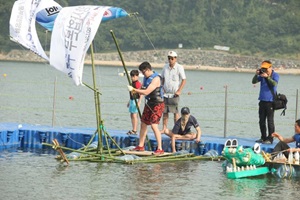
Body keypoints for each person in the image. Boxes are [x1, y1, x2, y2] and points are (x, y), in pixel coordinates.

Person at [127, 61, 165, 154]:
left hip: (158, 104)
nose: (143, 74)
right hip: (149, 103)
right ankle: (140, 146)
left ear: (148, 70)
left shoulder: (156, 79)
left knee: (154, 125)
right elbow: (143, 89)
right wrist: (136, 91)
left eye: (143, 72)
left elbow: (147, 92)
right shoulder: (145, 78)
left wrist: (134, 90)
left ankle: (160, 148)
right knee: (143, 123)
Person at [252, 60, 279, 144]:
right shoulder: (261, 75)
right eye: (263, 68)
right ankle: (263, 137)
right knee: (261, 120)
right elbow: (254, 81)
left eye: (266, 68)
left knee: (270, 121)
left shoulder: (275, 75)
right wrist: (256, 74)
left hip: (270, 101)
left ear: (270, 67)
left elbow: (274, 84)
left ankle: (270, 138)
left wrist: (267, 77)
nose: (265, 70)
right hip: (262, 101)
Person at [160, 51, 186, 134]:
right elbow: (162, 78)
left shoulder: (179, 67)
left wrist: (179, 90)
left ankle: (176, 129)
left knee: (175, 112)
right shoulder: (165, 67)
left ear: (175, 58)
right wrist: (162, 87)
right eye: (169, 58)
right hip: (165, 93)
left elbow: (184, 80)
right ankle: (164, 128)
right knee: (165, 112)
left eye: (172, 58)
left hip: (174, 93)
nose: (170, 60)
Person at [127, 70, 142, 135]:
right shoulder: (132, 83)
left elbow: (141, 93)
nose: (132, 77)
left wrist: (139, 102)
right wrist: (129, 101)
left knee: (135, 115)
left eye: (134, 76)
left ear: (137, 76)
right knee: (131, 115)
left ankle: (135, 130)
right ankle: (133, 128)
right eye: (132, 76)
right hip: (132, 100)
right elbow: (131, 93)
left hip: (136, 100)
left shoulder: (138, 83)